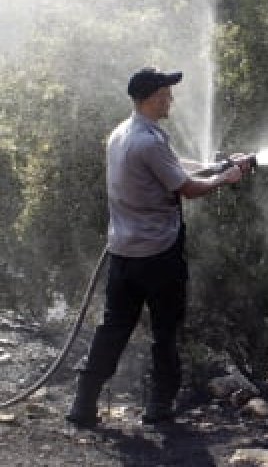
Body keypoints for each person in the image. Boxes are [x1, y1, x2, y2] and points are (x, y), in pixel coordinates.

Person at [66, 67, 250, 428]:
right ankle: (159, 406)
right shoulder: (148, 141)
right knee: (165, 330)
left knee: (113, 328)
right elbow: (188, 189)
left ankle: (83, 405)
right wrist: (226, 179)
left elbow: (174, 167)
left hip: (123, 252)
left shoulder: (123, 133)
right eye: (166, 94)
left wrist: (219, 164)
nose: (172, 100)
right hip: (158, 254)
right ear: (151, 99)